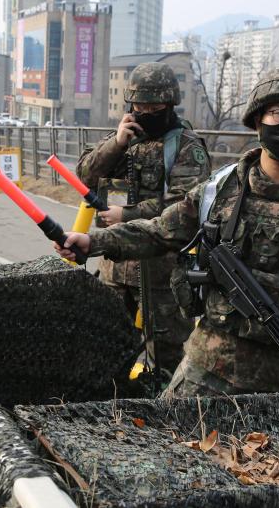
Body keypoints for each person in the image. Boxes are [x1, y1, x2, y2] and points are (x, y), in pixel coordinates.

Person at [57, 66, 279, 396]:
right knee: (169, 436)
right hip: (208, 362)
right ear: (258, 120)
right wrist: (92, 241)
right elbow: (161, 231)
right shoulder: (219, 190)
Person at [76, 62, 212, 378]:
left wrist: (129, 214)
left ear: (169, 104)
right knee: (105, 347)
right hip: (116, 264)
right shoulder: (126, 137)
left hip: (161, 270)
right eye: (140, 106)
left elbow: (186, 203)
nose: (146, 112)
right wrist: (116, 143)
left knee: (165, 358)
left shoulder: (187, 146)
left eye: (154, 107)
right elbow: (85, 175)